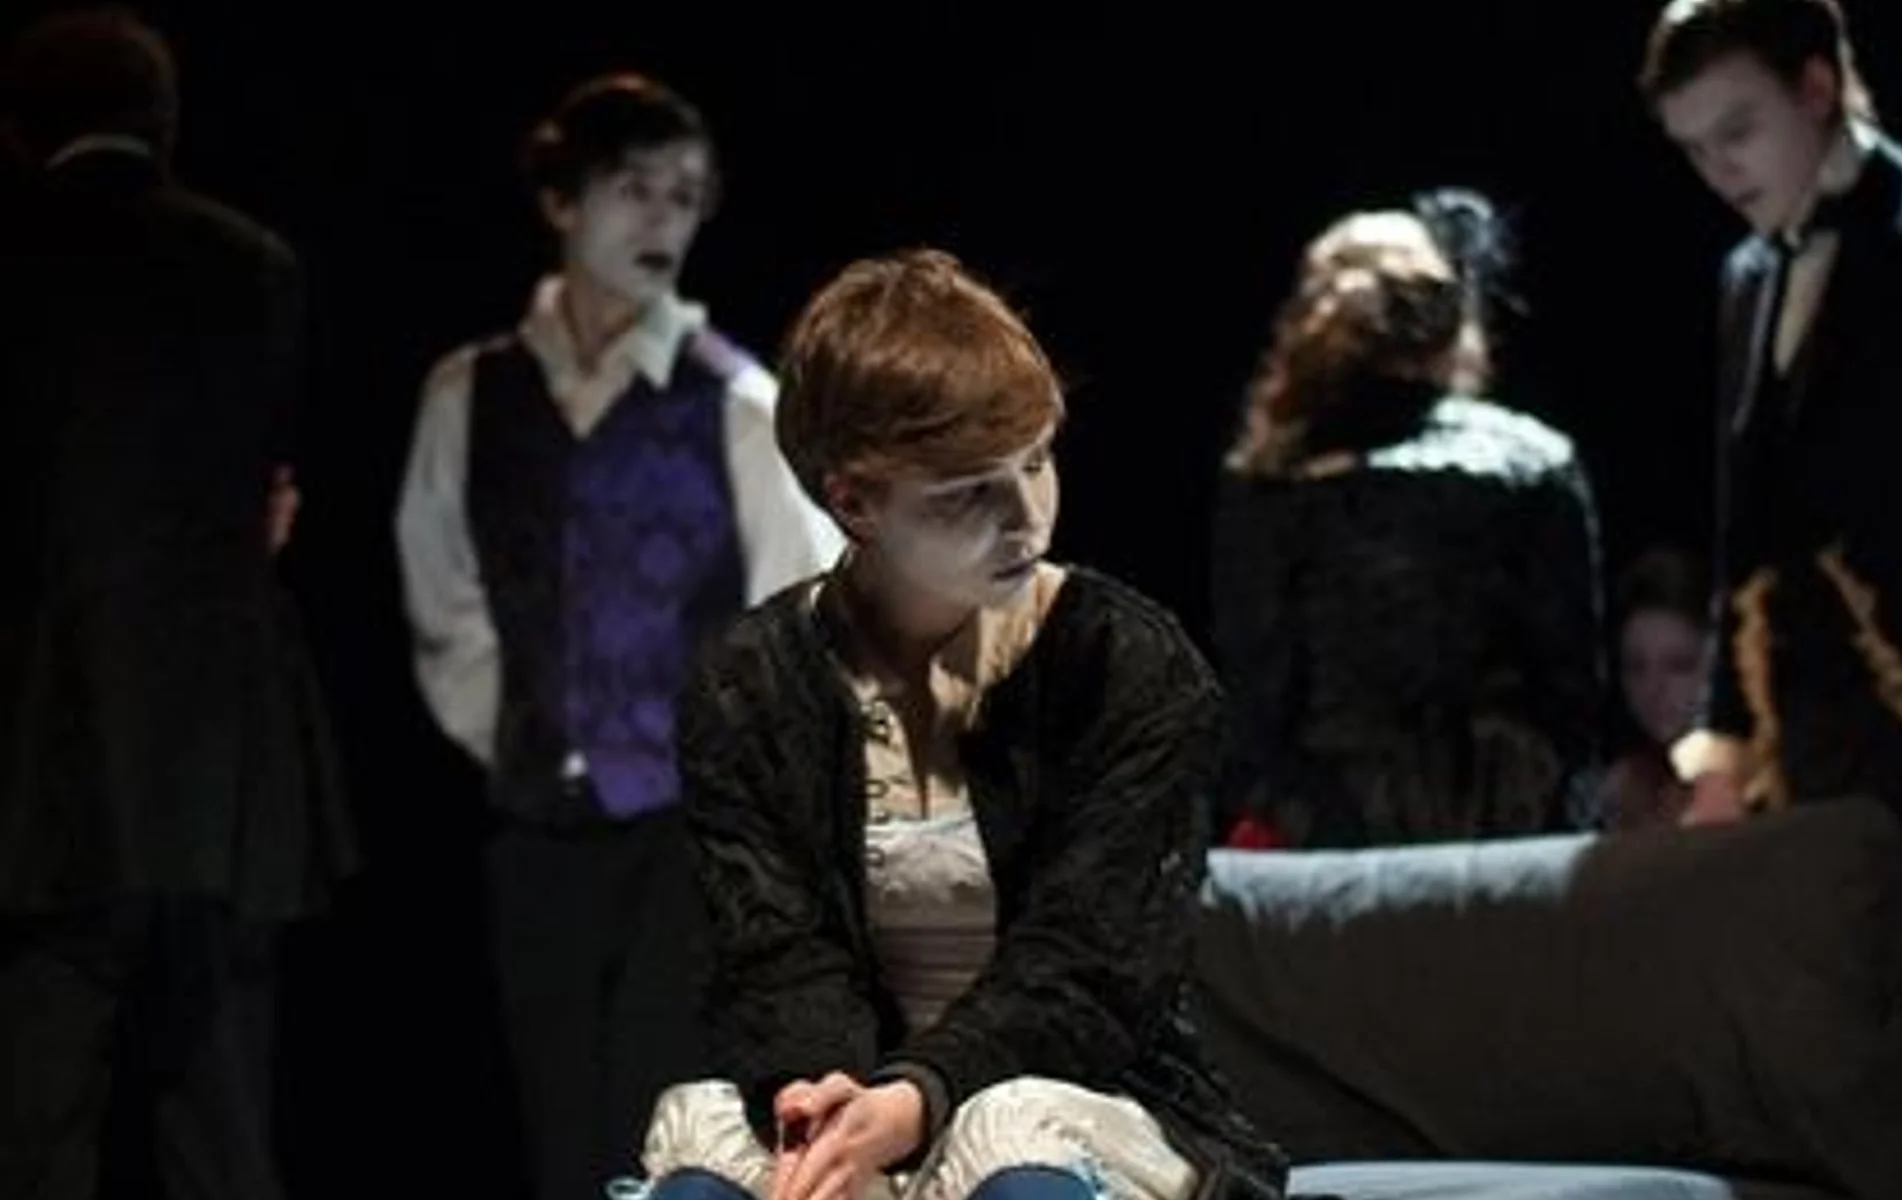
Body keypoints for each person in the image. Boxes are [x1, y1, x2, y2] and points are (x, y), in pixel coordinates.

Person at [630, 249, 1288, 1200]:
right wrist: (826, 1099)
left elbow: (1088, 971)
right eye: (969, 492)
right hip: (851, 1090)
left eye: (1037, 461)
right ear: (854, 501)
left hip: (1074, 1091)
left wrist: (917, 1098)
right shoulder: (749, 684)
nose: (1027, 517)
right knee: (714, 1182)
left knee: (1016, 1168)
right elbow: (773, 955)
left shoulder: (1124, 663)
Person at [394, 71, 843, 1200]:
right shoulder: (471, 392)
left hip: (689, 837)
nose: (662, 220)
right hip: (540, 817)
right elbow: (445, 597)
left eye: (684, 197)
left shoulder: (733, 399)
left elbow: (809, 609)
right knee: (557, 1120)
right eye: (634, 189)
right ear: (561, 200)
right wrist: (525, 732)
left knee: (666, 1118)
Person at [0, 9, 354, 1199]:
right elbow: (266, 496)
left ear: (19, 130)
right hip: (221, 767)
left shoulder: (17, 254)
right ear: (165, 121)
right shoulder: (254, 263)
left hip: (42, 764)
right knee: (222, 1126)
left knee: (37, 1122)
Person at [1211, 190, 1605, 849]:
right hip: (1507, 826)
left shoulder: (1271, 478)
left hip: (1334, 831)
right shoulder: (1535, 460)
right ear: (1450, 322)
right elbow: (1573, 693)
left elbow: (1258, 699)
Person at [1641, 0, 1902, 832]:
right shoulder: (1747, 277)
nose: (1719, 171)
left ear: (1817, 88)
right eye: (1694, 149)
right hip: (1817, 741)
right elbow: (1746, 530)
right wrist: (1724, 749)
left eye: (1737, 131)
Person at [1592, 547, 1713, 832]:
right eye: (1636, 667)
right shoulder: (1622, 789)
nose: (1654, 688)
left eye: (1679, 666)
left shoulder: (1763, 784)